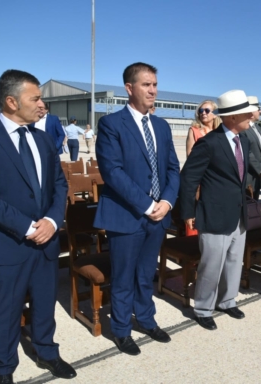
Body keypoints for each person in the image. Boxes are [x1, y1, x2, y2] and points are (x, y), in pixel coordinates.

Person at [0, 70, 75, 384]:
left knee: (44, 303)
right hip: (8, 242)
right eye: (35, 98)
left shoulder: (41, 138)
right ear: (11, 102)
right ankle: (3, 369)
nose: (42, 104)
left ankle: (46, 352)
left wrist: (52, 221)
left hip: (47, 239)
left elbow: (59, 185)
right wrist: (26, 227)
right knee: (7, 309)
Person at [94, 62, 180, 355]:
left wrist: (166, 202)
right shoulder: (111, 125)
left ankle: (146, 319)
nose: (153, 90)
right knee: (124, 276)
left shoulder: (161, 125)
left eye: (155, 84)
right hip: (127, 215)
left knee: (146, 274)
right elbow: (113, 172)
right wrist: (147, 204)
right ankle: (120, 329)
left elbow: (172, 169)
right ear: (129, 88)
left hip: (158, 216)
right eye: (146, 85)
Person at [180, 90, 256, 330]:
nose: (251, 118)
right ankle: (203, 308)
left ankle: (227, 300)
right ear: (232, 117)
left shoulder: (243, 139)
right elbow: (189, 179)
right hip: (213, 214)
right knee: (211, 265)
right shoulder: (209, 143)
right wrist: (188, 213)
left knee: (234, 262)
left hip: (238, 214)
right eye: (246, 114)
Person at [243, 96, 261, 200]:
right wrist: (259, 169)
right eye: (258, 109)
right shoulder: (243, 128)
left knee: (255, 205)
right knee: (248, 204)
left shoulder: (257, 127)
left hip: (258, 174)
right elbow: (247, 152)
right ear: (250, 111)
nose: (260, 111)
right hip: (249, 175)